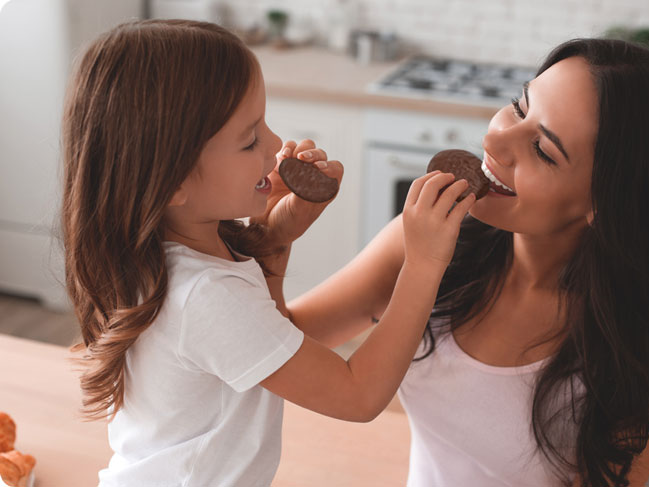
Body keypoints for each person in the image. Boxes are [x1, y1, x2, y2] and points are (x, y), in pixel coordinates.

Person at [60, 19, 475, 486]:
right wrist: (423, 265)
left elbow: (266, 343)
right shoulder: (205, 295)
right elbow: (358, 396)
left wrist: (273, 242)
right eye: (250, 139)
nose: (276, 145)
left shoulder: (160, 254)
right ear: (172, 180)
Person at [283, 38, 649, 487]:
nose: (493, 139)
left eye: (543, 150)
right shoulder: (432, 246)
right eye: (518, 108)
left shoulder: (645, 341)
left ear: (608, 202)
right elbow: (271, 347)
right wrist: (275, 236)